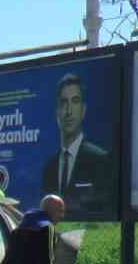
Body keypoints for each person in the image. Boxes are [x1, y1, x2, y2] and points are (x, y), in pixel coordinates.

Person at [40, 73, 115, 214]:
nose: (69, 111)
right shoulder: (49, 168)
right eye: (63, 102)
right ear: (57, 112)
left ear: (83, 110)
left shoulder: (101, 160)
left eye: (75, 101)